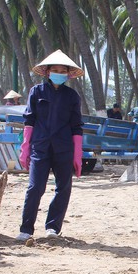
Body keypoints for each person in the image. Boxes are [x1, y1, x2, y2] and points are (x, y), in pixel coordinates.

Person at [16, 50, 84, 241]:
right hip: (40, 146)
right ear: (47, 72)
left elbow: (76, 126)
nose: (59, 73)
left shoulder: (72, 96)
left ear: (68, 74)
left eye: (63, 71)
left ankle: (53, 227)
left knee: (63, 187)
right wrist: (25, 148)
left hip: (64, 148)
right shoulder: (36, 92)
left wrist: (77, 154)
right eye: (55, 70)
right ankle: (26, 229)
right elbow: (29, 120)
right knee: (35, 187)